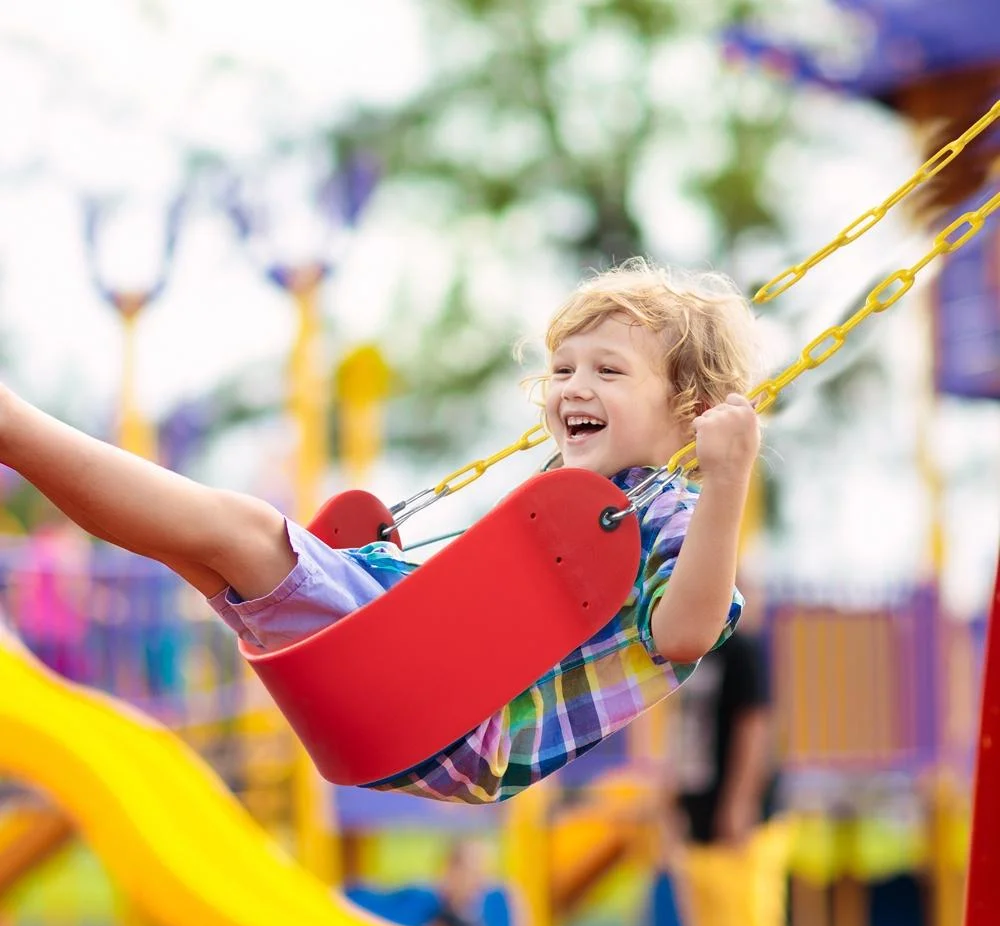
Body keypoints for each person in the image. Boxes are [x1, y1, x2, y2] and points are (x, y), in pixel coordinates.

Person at [0, 257, 761, 804]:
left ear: (690, 410)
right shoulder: (572, 500)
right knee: (197, 547)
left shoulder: (672, 515)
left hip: (451, 713)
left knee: (237, 530)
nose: (575, 388)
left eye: (608, 371)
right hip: (417, 701)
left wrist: (727, 478)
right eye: (562, 371)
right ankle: (18, 436)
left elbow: (688, 631)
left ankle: (12, 424)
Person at [668, 585, 804, 926]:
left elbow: (755, 727)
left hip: (740, 816)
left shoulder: (742, 649)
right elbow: (688, 734)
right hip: (702, 811)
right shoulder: (691, 656)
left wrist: (740, 802)